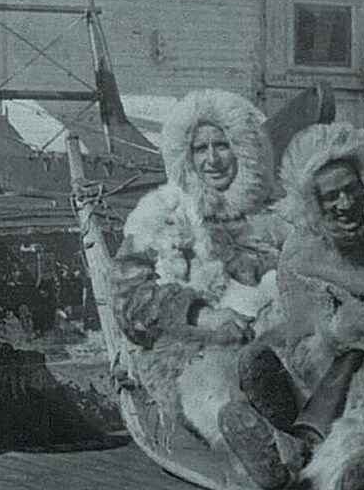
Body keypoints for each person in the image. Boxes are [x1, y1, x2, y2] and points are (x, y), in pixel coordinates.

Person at [216, 122, 364, 490]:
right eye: (331, 197)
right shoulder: (300, 254)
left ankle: (310, 456)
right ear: (312, 202)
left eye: (351, 190)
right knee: (262, 365)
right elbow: (302, 348)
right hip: (334, 373)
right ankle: (293, 441)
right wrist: (347, 331)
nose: (344, 204)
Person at [113, 89, 287, 456]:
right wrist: (201, 315)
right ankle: (251, 451)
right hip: (198, 347)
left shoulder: (281, 213)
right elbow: (129, 300)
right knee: (215, 386)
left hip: (281, 339)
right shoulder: (162, 213)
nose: (212, 159)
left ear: (245, 148)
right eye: (199, 148)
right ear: (185, 155)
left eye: (222, 145)